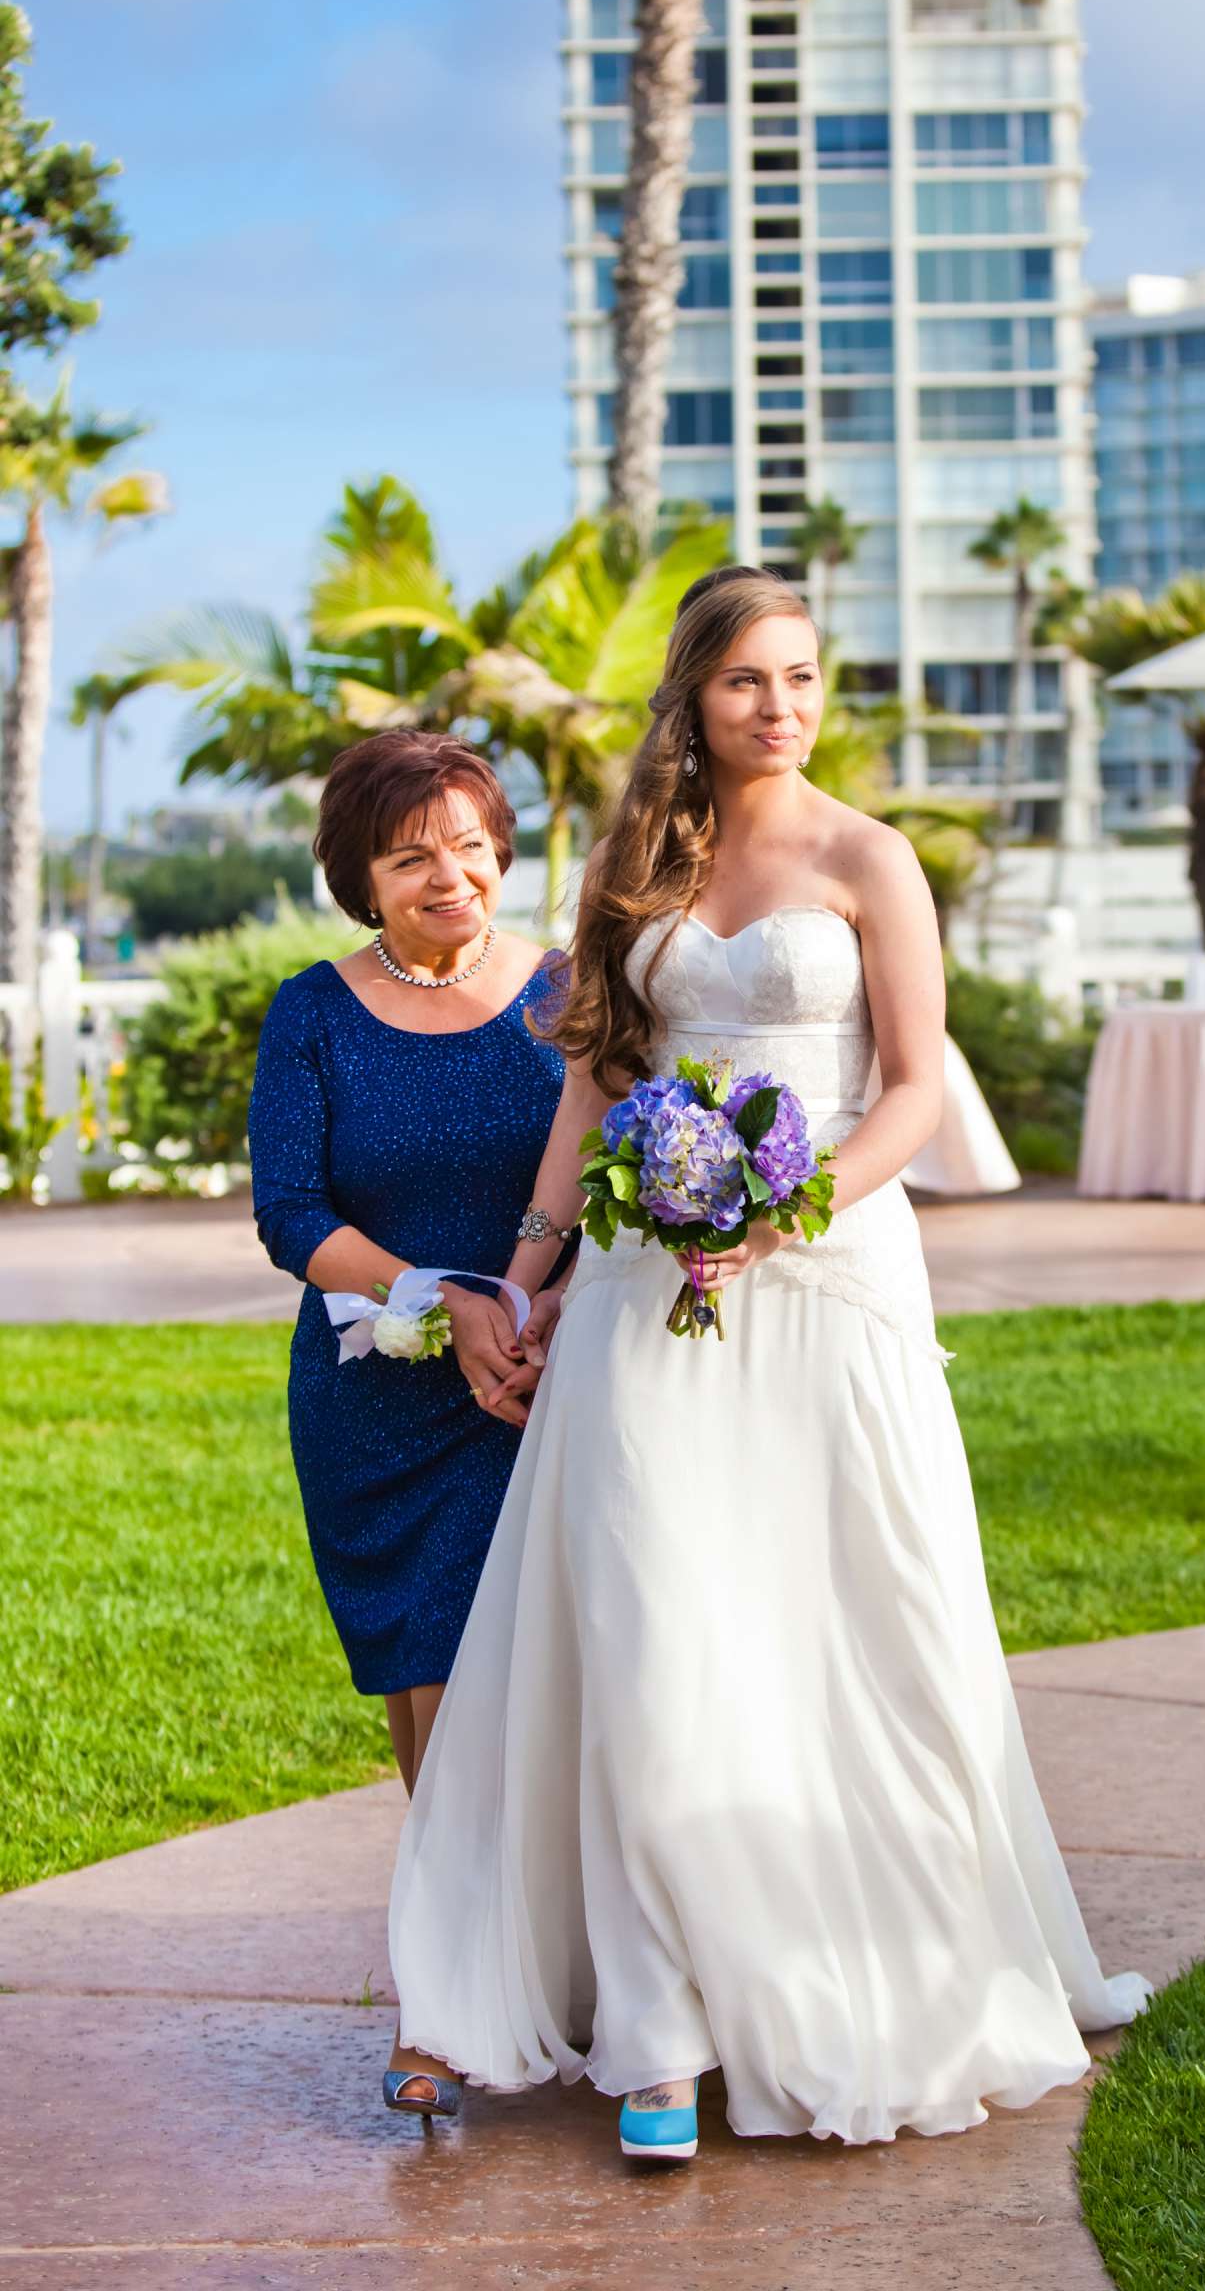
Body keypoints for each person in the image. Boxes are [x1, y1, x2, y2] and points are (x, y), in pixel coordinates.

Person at [388, 568, 1147, 2158]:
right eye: (746, 680)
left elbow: (918, 1092)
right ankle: (657, 2024)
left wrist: (782, 1212)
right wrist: (531, 1275)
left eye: (801, 678)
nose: (779, 708)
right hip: (640, 1294)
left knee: (852, 1624)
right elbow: (596, 1089)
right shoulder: (634, 861)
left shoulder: (872, 858)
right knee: (655, 1617)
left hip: (827, 1277)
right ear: (695, 692)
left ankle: (862, 1966)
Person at [248, 729, 568, 2119]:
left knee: (560, 1681)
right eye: (412, 853)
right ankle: (441, 2008)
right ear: (361, 880)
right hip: (382, 1396)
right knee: (430, 1684)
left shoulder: (567, 992)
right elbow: (291, 1214)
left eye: (473, 841)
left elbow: (614, 1165)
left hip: (549, 1384)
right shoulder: (312, 1014)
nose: (452, 874)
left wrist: (538, 1309)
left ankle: (578, 1977)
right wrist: (441, 1296)